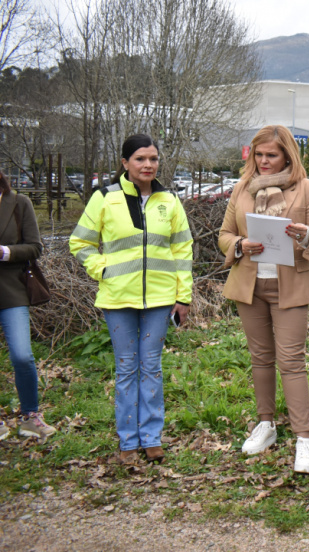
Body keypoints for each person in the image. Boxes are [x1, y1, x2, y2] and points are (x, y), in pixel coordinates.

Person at [70, 134, 193, 464]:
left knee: (150, 367)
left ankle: (152, 437)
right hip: (117, 299)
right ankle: (127, 441)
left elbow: (182, 250)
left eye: (153, 158)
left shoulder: (169, 200)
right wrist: (103, 269)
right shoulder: (104, 198)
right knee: (126, 368)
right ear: (125, 163)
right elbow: (79, 243)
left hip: (160, 298)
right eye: (140, 159)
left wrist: (184, 296)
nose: (148, 164)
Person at [218, 125, 309, 475]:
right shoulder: (241, 188)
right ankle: (265, 424)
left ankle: (303, 438)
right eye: (259, 154)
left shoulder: (307, 189)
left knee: (291, 360)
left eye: (272, 155)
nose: (264, 161)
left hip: (290, 285)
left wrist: (305, 234)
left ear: (287, 156)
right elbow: (225, 234)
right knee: (260, 358)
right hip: (250, 285)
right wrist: (239, 245)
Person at [0, 170, 57, 441]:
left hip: (11, 290)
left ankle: (30, 417)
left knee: (22, 355)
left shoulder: (18, 202)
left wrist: (5, 252)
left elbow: (35, 247)